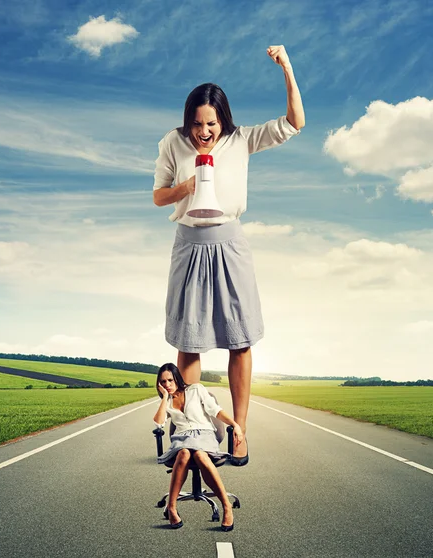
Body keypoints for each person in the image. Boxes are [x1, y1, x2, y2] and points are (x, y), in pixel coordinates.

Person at [153, 45, 305, 466]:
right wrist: (184, 187)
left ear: (224, 120)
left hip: (230, 244)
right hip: (188, 245)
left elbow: (296, 122)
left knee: (240, 341)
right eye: (198, 124)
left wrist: (287, 69)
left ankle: (238, 433)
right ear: (188, 122)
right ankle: (191, 433)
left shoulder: (242, 140)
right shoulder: (172, 143)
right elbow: (157, 197)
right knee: (189, 343)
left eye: (212, 123)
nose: (204, 132)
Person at [153, 362, 243, 531]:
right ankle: (172, 508)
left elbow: (215, 410)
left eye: (170, 380)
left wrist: (235, 424)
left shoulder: (196, 389)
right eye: (163, 382)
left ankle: (226, 506)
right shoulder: (168, 401)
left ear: (177, 378)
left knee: (200, 455)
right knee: (184, 453)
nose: (168, 385)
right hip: (182, 439)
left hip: (204, 435)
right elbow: (159, 422)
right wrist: (165, 397)